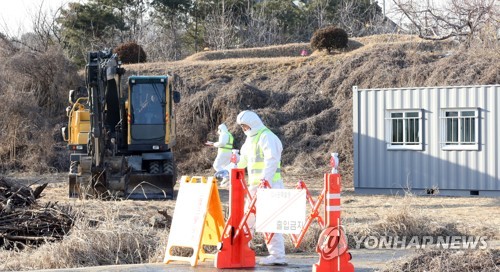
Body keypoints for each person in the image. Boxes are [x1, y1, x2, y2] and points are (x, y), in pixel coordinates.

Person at [235, 110, 287, 266]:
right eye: (242, 127)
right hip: (255, 187)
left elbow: (272, 160)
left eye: (245, 126)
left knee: (270, 221)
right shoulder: (250, 140)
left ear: (252, 123)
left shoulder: (267, 137)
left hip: (270, 186)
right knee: (247, 220)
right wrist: (230, 168)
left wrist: (265, 181)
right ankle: (244, 250)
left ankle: (277, 255)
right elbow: (242, 161)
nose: (244, 129)